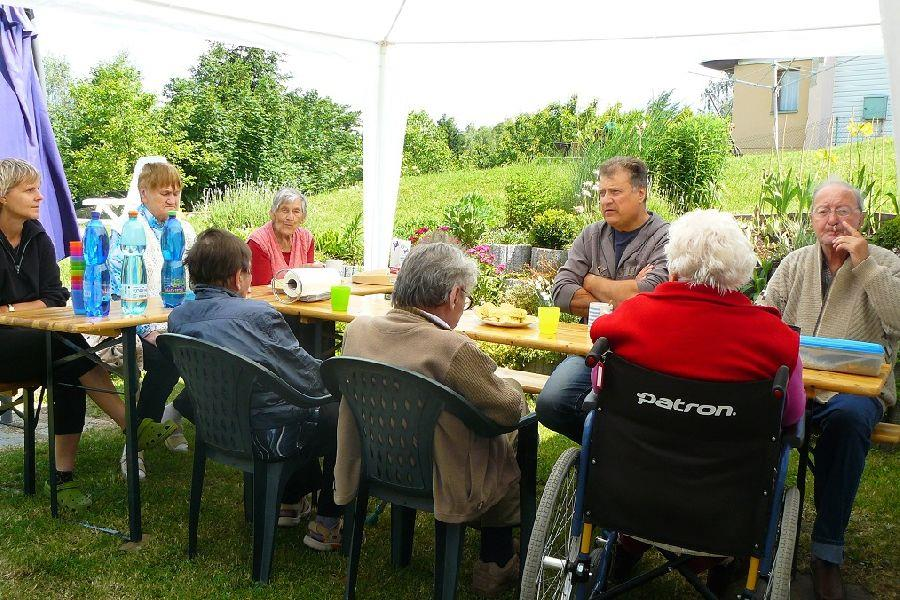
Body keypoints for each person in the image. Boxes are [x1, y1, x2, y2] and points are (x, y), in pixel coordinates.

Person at [588, 209, 806, 593]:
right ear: (741, 273)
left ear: (673, 267)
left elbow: (600, 381)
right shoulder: (776, 339)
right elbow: (791, 416)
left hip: (631, 490)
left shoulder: (629, 319)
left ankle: (628, 543)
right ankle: (721, 559)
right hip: (724, 506)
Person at [338, 242, 527, 597]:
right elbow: (507, 408)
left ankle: (489, 554)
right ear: (454, 295)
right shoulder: (450, 348)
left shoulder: (358, 330)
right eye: (466, 298)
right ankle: (496, 557)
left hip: (379, 459)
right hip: (440, 471)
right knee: (509, 439)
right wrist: (513, 385)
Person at [0, 158, 174, 509]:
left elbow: (54, 296)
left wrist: (10, 310)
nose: (40, 197)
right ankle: (128, 426)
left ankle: (67, 476)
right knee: (64, 347)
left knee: (66, 359)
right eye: (30, 190)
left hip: (36, 341)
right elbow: (44, 302)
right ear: (3, 195)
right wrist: (26, 309)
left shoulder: (37, 237)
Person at [758, 180, 900, 600]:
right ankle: (748, 539)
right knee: (746, 407)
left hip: (853, 395)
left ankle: (826, 554)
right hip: (798, 388)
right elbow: (768, 312)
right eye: (823, 211)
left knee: (850, 418)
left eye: (843, 210)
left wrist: (865, 266)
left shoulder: (886, 263)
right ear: (812, 220)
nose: (833, 219)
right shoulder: (796, 263)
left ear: (861, 218)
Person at [167, 228, 342, 550]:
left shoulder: (178, 318)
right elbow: (307, 377)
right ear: (238, 277)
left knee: (293, 403)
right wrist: (346, 381)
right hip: (269, 435)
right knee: (339, 414)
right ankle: (327, 521)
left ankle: (289, 501)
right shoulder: (258, 315)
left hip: (218, 428)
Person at [537, 156, 670, 442]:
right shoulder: (591, 236)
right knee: (550, 403)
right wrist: (627, 292)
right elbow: (560, 291)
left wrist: (591, 281)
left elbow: (654, 294)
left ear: (640, 193)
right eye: (602, 193)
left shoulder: (665, 238)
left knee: (636, 413)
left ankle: (616, 453)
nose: (606, 200)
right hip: (592, 352)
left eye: (615, 192)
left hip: (642, 359)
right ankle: (605, 450)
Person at [108, 160, 197, 478]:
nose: (172, 199)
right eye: (164, 193)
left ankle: (174, 414)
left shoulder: (185, 230)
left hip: (178, 320)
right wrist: (147, 329)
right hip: (134, 323)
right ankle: (135, 447)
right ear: (144, 194)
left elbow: (197, 282)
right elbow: (119, 288)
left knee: (226, 353)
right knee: (165, 360)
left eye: (176, 193)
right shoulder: (126, 229)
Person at [247, 187, 320, 286]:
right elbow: (261, 287)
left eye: (296, 211)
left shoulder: (306, 238)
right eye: (284, 210)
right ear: (273, 214)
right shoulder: (258, 242)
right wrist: (299, 272)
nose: (290, 217)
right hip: (266, 300)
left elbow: (308, 281)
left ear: (303, 217)